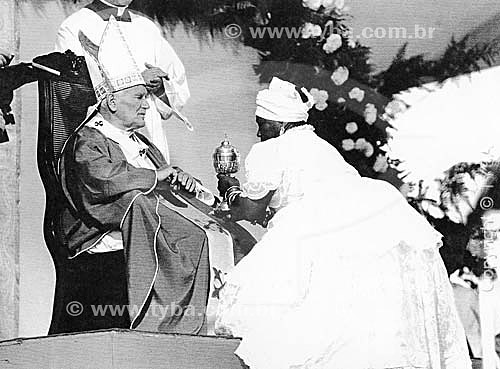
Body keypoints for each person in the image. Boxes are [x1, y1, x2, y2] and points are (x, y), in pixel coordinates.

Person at [214, 77, 471, 369]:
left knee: (294, 326)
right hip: (374, 221)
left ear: (279, 123)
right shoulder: (322, 147)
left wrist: (230, 187)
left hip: (323, 233)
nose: (259, 130)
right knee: (365, 329)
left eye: (261, 122)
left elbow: (251, 208)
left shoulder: (271, 149)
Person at [59, 17, 234, 334]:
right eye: (139, 97)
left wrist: (178, 181)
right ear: (111, 100)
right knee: (175, 228)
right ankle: (159, 328)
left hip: (144, 218)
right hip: (98, 232)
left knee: (208, 234)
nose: (146, 106)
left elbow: (160, 183)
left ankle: (188, 332)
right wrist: (156, 176)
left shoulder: (138, 140)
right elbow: (103, 182)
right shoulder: (89, 140)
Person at [55, 0, 190, 162]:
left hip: (150, 139)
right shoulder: (74, 25)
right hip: (101, 142)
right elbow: (71, 93)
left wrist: (160, 86)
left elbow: (177, 85)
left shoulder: (147, 27)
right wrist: (135, 82)